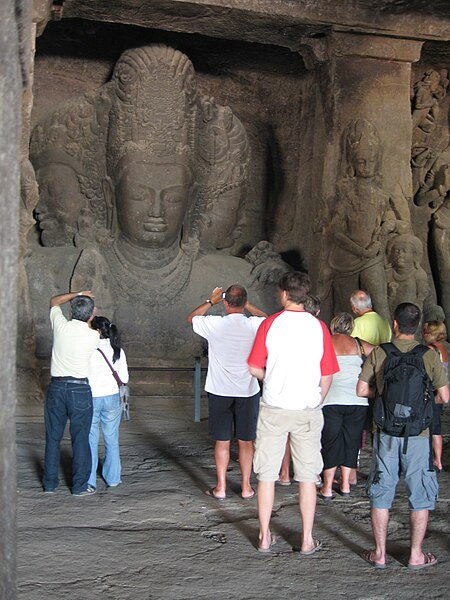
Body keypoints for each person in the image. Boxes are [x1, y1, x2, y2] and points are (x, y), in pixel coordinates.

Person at [248, 272, 339, 553]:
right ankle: (307, 539)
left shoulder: (270, 324)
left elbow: (253, 368)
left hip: (274, 407)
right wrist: (317, 399)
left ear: (285, 293)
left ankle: (264, 537)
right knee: (308, 477)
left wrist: (272, 379)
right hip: (307, 409)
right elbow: (327, 375)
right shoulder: (319, 327)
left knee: (266, 475)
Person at [357, 303, 449, 569]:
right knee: (419, 492)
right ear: (417, 327)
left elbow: (362, 390)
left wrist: (385, 396)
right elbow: (445, 396)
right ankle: (416, 554)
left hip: (386, 432)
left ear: (395, 325)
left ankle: (380, 554)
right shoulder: (428, 355)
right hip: (418, 433)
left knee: (382, 490)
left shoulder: (381, 353)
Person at [188, 285, 267, 500]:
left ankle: (221, 487)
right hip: (248, 390)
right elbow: (266, 318)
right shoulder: (254, 325)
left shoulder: (215, 324)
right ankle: (246, 487)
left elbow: (191, 318)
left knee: (222, 441)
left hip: (219, 389)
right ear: (244, 303)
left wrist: (210, 301)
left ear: (225, 302)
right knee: (246, 441)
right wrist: (247, 304)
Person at [43, 291, 99, 496]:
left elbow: (53, 300)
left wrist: (79, 293)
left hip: (56, 387)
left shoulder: (61, 326)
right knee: (80, 438)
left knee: (53, 438)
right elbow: (89, 325)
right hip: (80, 389)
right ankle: (79, 486)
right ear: (91, 315)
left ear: (71, 311)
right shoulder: (93, 336)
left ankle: (49, 484)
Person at [318, 312, 374, 500]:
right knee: (351, 442)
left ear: (333, 326)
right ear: (351, 328)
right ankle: (345, 485)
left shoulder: (325, 341)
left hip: (330, 399)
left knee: (330, 442)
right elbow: (381, 354)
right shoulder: (360, 344)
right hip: (357, 400)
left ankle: (326, 487)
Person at [88, 316, 129, 490]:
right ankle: (113, 478)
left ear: (96, 330)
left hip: (91, 396)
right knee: (112, 438)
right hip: (112, 397)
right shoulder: (117, 350)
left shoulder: (88, 349)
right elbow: (125, 378)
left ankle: (89, 480)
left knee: (90, 439)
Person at [422, 320, 449, 472]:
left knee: (428, 428)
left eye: (425, 332)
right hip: (442, 389)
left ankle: (428, 459)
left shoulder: (430, 350)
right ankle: (438, 460)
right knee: (437, 428)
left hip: (432, 391)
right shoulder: (443, 349)